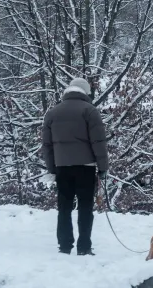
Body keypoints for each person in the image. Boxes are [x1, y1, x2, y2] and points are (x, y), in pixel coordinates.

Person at [42, 78, 110, 256]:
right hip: (85, 167)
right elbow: (98, 142)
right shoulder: (90, 111)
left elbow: (47, 145)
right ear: (85, 93)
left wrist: (52, 168)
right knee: (85, 207)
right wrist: (102, 167)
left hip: (62, 167)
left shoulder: (52, 113)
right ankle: (84, 246)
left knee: (64, 207)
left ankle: (64, 246)